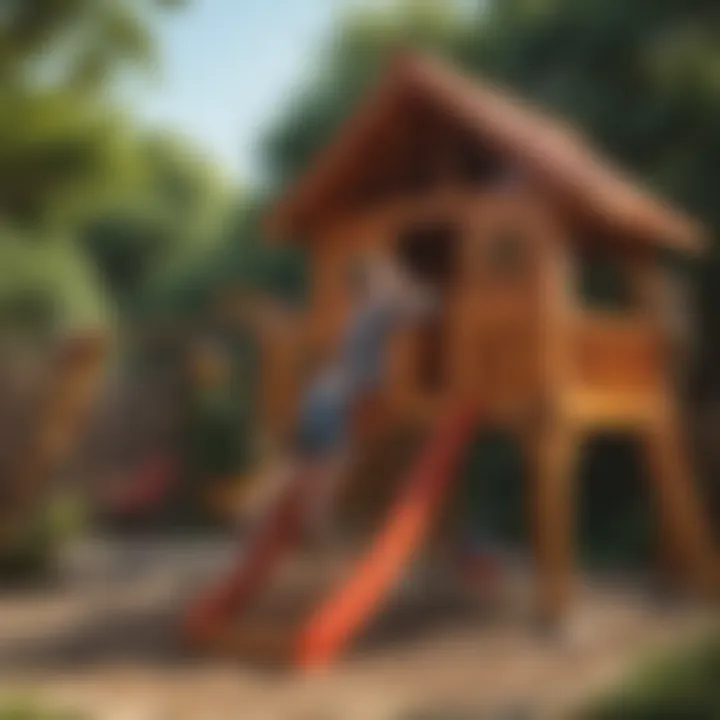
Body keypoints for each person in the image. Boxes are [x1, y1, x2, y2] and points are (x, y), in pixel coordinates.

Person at [245, 251, 436, 542]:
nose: (393, 279)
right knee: (335, 463)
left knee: (303, 460)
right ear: (376, 283)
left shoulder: (363, 311)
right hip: (338, 397)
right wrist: (402, 279)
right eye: (386, 276)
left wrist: (393, 279)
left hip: (324, 392)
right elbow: (428, 305)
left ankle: (254, 510)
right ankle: (313, 524)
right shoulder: (378, 307)